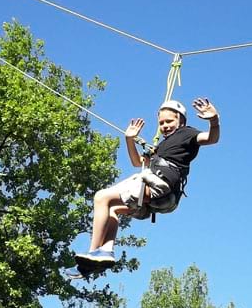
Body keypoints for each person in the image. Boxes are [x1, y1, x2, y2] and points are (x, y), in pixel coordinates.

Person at [67, 97, 220, 277]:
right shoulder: (160, 147)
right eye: (161, 123)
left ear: (181, 121)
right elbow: (136, 162)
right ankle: (106, 250)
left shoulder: (187, 134)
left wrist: (213, 120)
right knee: (113, 209)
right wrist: (129, 139)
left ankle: (93, 251)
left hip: (161, 184)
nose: (165, 126)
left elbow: (211, 138)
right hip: (155, 196)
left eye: (169, 121)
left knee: (101, 197)